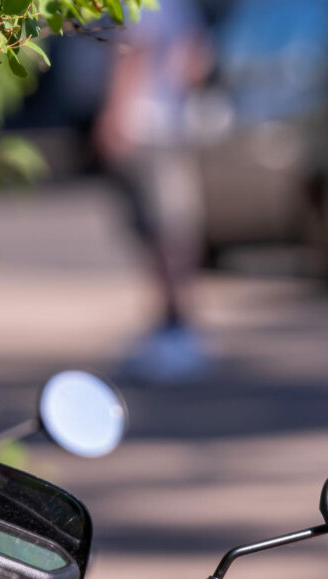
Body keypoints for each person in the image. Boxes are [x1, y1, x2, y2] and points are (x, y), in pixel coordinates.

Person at [93, 0, 213, 383]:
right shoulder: (182, 7)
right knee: (173, 231)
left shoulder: (140, 6)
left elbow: (135, 53)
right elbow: (197, 61)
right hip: (172, 126)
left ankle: (175, 329)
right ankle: (175, 327)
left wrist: (114, 116)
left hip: (143, 128)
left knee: (161, 233)